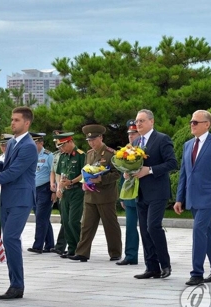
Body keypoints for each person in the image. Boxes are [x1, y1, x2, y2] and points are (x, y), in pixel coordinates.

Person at [174, 110, 211, 286]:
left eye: (196, 122)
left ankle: (197, 272)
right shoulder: (188, 145)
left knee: (198, 230)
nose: (192, 124)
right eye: (191, 121)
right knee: (206, 232)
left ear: (207, 124)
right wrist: (179, 198)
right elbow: (184, 173)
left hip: (208, 196)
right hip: (192, 196)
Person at [0, 106, 38, 300]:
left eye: (16, 120)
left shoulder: (28, 146)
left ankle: (17, 285)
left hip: (21, 199)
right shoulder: (12, 144)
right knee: (8, 240)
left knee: (10, 239)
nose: (12, 123)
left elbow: (13, 173)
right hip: (8, 199)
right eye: (12, 119)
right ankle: (14, 283)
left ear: (27, 123)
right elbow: (4, 167)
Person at [131, 109, 178, 279]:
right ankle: (151, 267)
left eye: (142, 120)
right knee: (144, 229)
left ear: (152, 121)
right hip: (141, 192)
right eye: (137, 121)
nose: (139, 124)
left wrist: (149, 170)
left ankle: (165, 264)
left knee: (153, 227)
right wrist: (128, 172)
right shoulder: (136, 143)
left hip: (158, 191)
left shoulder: (162, 139)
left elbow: (172, 163)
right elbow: (134, 164)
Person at [69, 125, 122, 262]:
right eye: (89, 140)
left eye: (94, 139)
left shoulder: (111, 154)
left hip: (106, 195)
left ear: (101, 138)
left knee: (110, 225)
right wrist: (85, 182)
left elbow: (117, 174)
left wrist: (101, 179)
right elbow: (86, 171)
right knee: (86, 225)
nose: (91, 143)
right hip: (90, 196)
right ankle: (82, 252)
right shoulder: (89, 154)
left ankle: (115, 252)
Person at [55, 132, 86, 259]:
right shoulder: (63, 156)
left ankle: (81, 248)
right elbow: (58, 173)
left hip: (76, 190)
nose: (61, 149)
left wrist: (72, 181)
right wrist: (58, 188)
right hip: (65, 192)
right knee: (66, 222)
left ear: (69, 142)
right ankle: (71, 248)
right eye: (59, 147)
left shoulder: (80, 155)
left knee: (73, 220)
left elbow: (84, 173)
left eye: (62, 146)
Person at [27, 132, 56, 254]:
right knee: (43, 217)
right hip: (32, 189)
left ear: (41, 143)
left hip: (45, 189)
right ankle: (49, 244)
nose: (33, 145)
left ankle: (38, 245)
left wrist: (53, 188)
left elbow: (52, 172)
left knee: (40, 217)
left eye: (36, 143)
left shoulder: (48, 155)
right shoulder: (30, 155)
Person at [117, 119, 141, 266]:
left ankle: (157, 254)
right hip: (130, 194)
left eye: (134, 133)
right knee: (131, 226)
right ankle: (130, 255)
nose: (131, 136)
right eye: (129, 133)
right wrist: (122, 195)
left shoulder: (144, 149)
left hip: (144, 194)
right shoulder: (126, 152)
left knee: (149, 227)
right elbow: (122, 174)